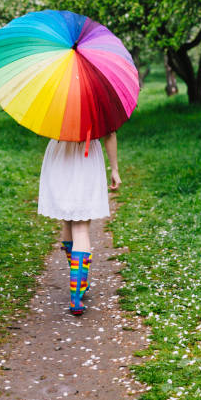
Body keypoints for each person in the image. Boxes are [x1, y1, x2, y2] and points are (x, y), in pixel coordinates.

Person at [38, 132, 121, 315]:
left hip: (59, 156)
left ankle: (80, 281)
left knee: (67, 221)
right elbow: (110, 135)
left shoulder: (57, 102)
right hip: (86, 157)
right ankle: (76, 295)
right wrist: (114, 169)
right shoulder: (99, 102)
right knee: (81, 228)